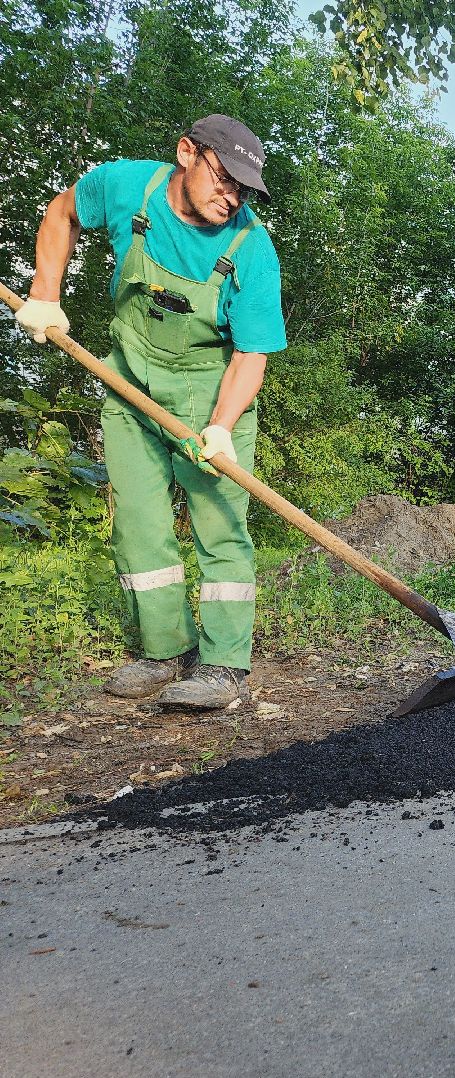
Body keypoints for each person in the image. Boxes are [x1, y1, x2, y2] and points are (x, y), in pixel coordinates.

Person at [15, 115, 286, 707]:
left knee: (221, 527)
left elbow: (253, 353)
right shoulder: (125, 188)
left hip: (212, 396)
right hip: (129, 381)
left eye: (241, 188)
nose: (230, 196)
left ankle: (222, 667)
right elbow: (61, 214)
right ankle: (165, 651)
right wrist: (43, 292)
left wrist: (219, 427)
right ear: (187, 153)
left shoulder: (251, 249)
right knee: (139, 524)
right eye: (223, 178)